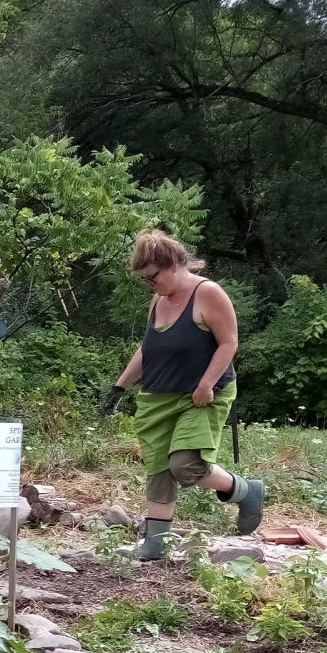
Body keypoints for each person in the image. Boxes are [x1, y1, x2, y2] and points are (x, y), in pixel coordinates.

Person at [101, 230, 264, 559]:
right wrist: (119, 387)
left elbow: (229, 342)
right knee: (158, 466)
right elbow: (148, 349)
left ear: (173, 264)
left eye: (153, 277)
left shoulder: (208, 293)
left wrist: (206, 385)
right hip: (159, 395)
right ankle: (156, 542)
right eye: (145, 280)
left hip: (201, 395)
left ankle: (245, 490)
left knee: (185, 465)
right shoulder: (158, 301)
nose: (150, 285)